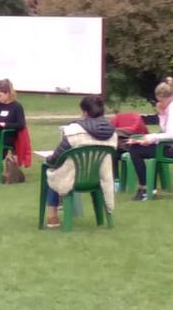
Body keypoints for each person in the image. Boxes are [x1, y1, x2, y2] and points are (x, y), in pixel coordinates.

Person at [42, 95, 118, 227]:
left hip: (72, 177)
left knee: (52, 169)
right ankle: (101, 219)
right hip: (99, 178)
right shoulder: (112, 133)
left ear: (84, 112)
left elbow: (57, 157)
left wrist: (48, 159)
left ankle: (52, 216)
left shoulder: (73, 131)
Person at [125, 78, 173, 201]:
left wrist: (150, 138)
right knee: (140, 147)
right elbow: (166, 130)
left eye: (160, 101)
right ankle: (148, 187)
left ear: (166, 98)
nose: (159, 103)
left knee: (135, 150)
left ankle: (145, 188)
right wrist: (162, 114)